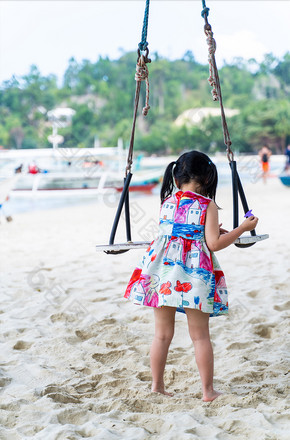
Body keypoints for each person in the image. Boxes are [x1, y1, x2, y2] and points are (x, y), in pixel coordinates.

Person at [124, 151, 258, 402]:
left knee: (161, 335)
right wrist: (242, 228)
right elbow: (214, 244)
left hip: (162, 272)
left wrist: (207, 231)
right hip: (193, 273)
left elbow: (177, 231)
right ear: (208, 179)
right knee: (200, 336)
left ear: (176, 179)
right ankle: (208, 391)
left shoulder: (167, 202)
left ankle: (157, 386)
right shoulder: (207, 205)